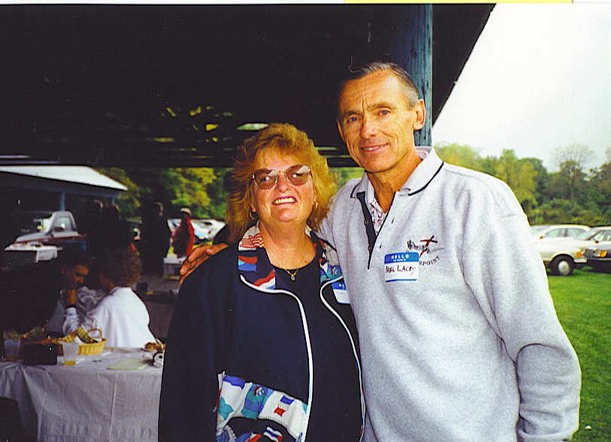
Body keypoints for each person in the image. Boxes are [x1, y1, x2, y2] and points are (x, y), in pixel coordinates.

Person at [180, 62, 581, 441]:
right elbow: (287, 229)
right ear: (342, 130)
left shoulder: (475, 202)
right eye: (353, 118)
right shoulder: (342, 211)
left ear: (417, 115)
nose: (368, 130)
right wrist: (230, 252)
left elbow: (539, 344)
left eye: (383, 111)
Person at [159, 123, 364, 441]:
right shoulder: (212, 283)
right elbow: (182, 407)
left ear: (315, 191)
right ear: (251, 200)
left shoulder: (344, 270)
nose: (283, 186)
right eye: (266, 178)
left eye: (297, 174)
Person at [63, 247, 155, 348]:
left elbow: (75, 341)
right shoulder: (137, 302)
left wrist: (70, 307)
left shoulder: (106, 306)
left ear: (103, 275)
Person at [140, 201, 171, 276]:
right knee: (157, 265)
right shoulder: (162, 221)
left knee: (150, 265)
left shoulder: (147, 220)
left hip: (150, 246)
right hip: (157, 246)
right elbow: (167, 234)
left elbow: (143, 233)